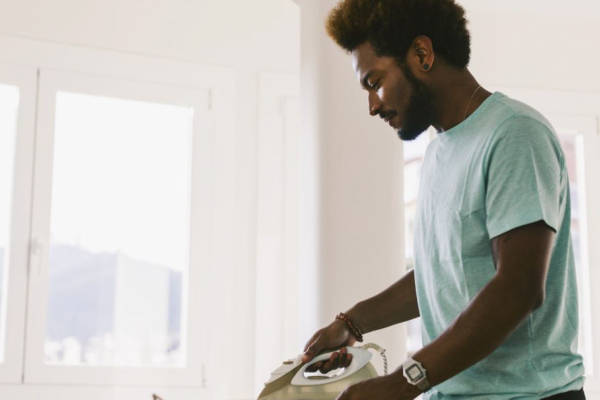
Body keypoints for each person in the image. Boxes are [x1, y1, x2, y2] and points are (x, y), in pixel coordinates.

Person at [300, 1, 586, 399]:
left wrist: (402, 384)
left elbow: (517, 287)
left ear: (422, 54)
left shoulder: (515, 134)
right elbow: (442, 275)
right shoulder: (438, 153)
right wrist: (352, 322)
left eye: (374, 82)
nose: (372, 105)